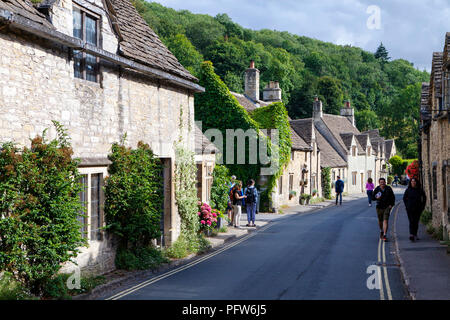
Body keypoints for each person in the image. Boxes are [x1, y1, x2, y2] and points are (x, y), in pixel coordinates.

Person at [372, 177, 395, 241]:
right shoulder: (377, 189)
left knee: (385, 220)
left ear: (385, 182)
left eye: (383, 182)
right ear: (379, 183)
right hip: (379, 207)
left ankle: (384, 235)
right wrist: (377, 197)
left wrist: (391, 204)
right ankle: (381, 230)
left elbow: (393, 197)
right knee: (380, 220)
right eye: (381, 182)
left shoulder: (388, 188)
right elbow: (372, 198)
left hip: (387, 207)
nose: (382, 183)